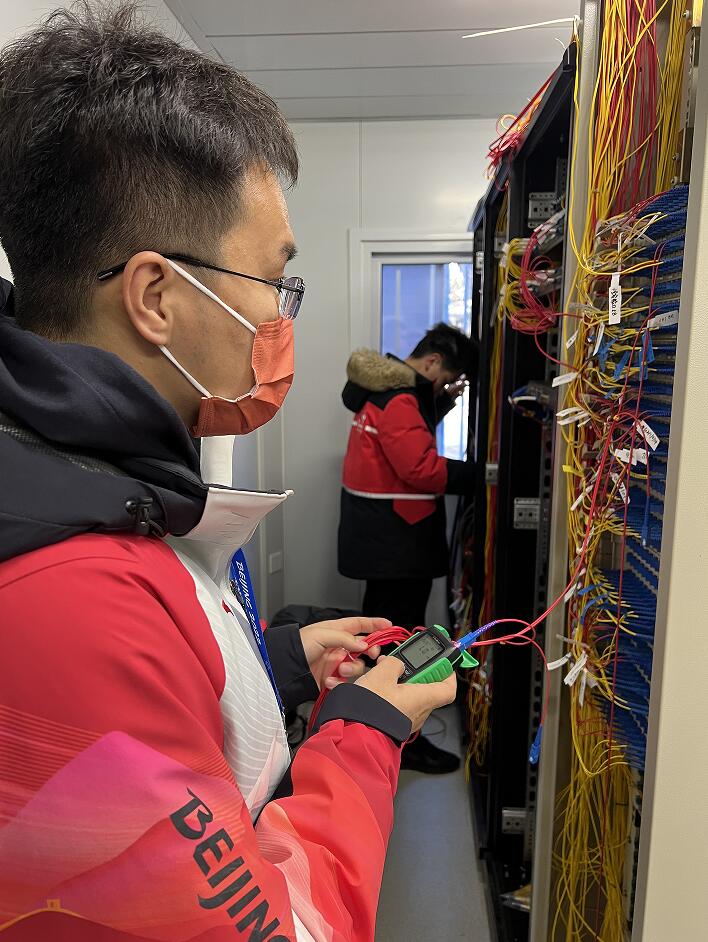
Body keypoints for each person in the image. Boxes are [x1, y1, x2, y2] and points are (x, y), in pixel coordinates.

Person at [0, 6, 456, 941]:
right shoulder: (74, 598)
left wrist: (276, 665)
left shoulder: (112, 485)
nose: (282, 319)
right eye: (273, 282)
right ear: (157, 297)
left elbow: (141, 752)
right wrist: (365, 729)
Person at [338, 324, 477, 774]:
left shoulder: (385, 391)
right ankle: (401, 738)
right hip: (397, 544)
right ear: (433, 363)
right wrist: (485, 475)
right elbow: (420, 468)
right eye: (444, 379)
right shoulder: (400, 399)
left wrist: (441, 402)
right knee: (401, 645)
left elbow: (406, 437)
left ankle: (373, 731)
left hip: (381, 541)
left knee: (383, 638)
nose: (440, 387)